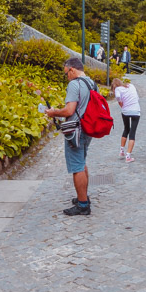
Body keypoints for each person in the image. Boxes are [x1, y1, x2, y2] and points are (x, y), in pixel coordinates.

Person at [44, 57, 95, 216]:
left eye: (67, 73)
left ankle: (83, 205)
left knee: (77, 167)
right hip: (88, 128)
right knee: (82, 162)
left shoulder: (75, 84)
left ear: (72, 70)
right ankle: (84, 196)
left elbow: (69, 110)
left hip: (76, 129)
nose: (67, 77)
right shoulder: (91, 82)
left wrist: (54, 112)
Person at [112, 77, 141, 162]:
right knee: (132, 133)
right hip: (136, 110)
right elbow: (137, 97)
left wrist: (120, 102)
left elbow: (118, 97)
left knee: (126, 129)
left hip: (126, 111)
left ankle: (121, 150)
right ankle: (128, 155)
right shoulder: (131, 86)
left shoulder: (117, 89)